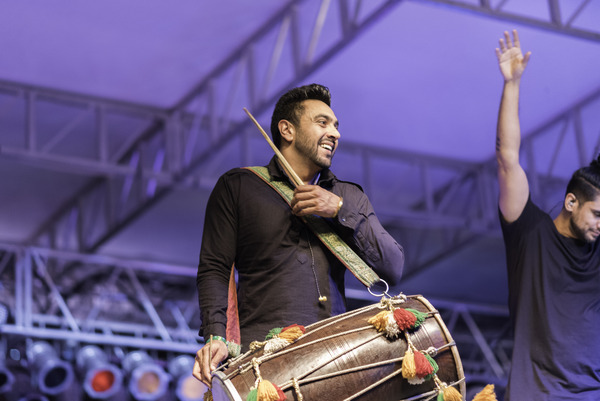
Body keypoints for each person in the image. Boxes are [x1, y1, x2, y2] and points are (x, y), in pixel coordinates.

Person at [192, 83, 405, 387]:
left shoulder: (348, 196)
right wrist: (216, 335)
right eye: (322, 123)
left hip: (334, 358)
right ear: (287, 130)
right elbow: (215, 268)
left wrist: (339, 210)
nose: (335, 133)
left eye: (336, 126)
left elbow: (393, 267)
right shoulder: (239, 186)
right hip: (261, 358)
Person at [495, 30, 600, 400]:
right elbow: (507, 160)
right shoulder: (530, 233)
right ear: (571, 202)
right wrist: (512, 84)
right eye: (597, 213)